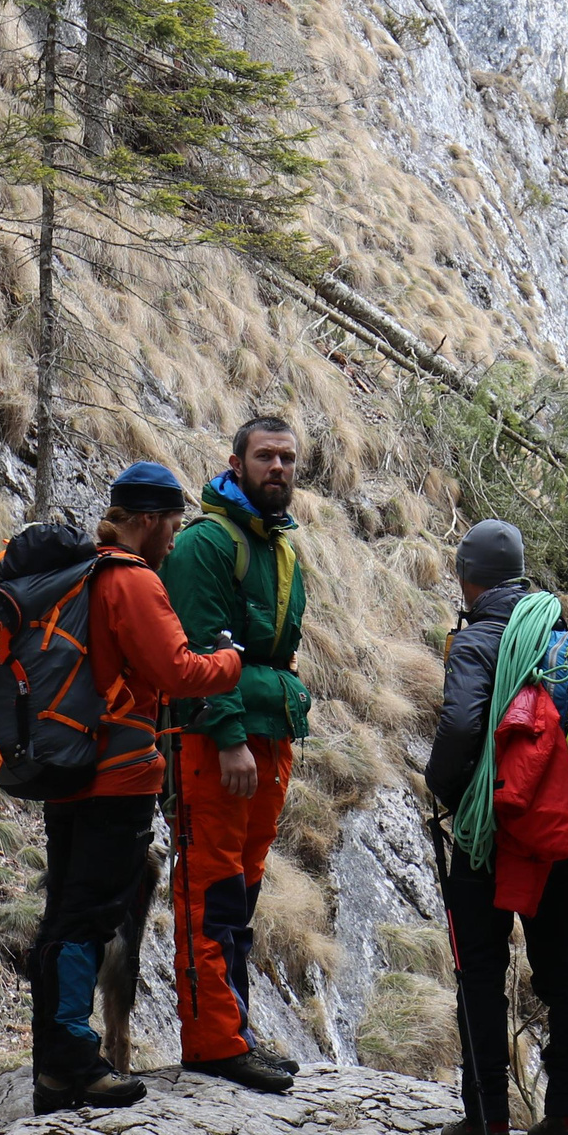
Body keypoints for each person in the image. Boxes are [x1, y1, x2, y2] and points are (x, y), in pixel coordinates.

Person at [27, 462, 244, 1114]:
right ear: (146, 521)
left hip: (69, 768)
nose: (175, 539)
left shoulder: (82, 573)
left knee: (65, 909)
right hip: (117, 776)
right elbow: (178, 669)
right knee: (90, 914)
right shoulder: (131, 580)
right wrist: (231, 660)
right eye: (172, 525)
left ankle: (55, 1061)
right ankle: (75, 1060)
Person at [426, 519, 568, 1135]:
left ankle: (487, 1126)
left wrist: (440, 784)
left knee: (480, 973)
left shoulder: (477, 642)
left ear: (471, 576)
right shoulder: (558, 635)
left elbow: (464, 723)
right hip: (552, 832)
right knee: (559, 971)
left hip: (489, 831)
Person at [162, 416, 313, 1094]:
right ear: (236, 462)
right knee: (211, 889)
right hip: (219, 742)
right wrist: (226, 736)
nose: (277, 466)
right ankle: (214, 1043)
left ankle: (235, 1030)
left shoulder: (279, 548)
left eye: (286, 457)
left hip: (268, 736)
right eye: (265, 456)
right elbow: (197, 646)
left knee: (240, 891)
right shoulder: (205, 544)